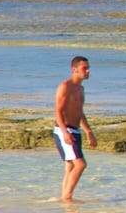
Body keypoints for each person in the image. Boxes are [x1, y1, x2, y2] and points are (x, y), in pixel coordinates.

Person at [54, 56, 96, 203]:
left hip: (76, 130)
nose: (88, 71)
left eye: (88, 68)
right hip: (65, 130)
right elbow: (58, 111)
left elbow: (80, 112)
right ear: (74, 69)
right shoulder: (65, 86)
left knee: (70, 165)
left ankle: (64, 197)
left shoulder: (81, 89)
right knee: (80, 164)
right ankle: (67, 197)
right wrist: (65, 132)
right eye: (85, 68)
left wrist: (89, 132)